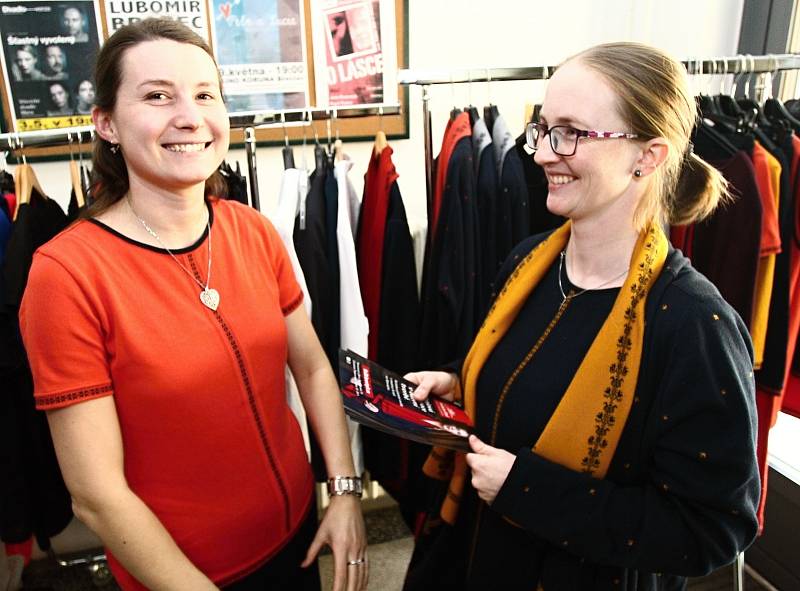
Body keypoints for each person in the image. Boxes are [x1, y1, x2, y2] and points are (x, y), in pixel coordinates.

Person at [20, 18, 367, 591]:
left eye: (205, 95)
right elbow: (96, 495)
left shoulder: (252, 230)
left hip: (298, 538)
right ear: (106, 124)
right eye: (158, 96)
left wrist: (345, 489)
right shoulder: (67, 274)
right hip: (183, 575)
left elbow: (310, 365)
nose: (190, 116)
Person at [402, 42, 760, 591]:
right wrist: (459, 381)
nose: (543, 152)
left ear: (649, 155)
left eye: (571, 132)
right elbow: (533, 374)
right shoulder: (530, 264)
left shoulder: (692, 326)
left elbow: (711, 528)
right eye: (543, 128)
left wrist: (528, 489)